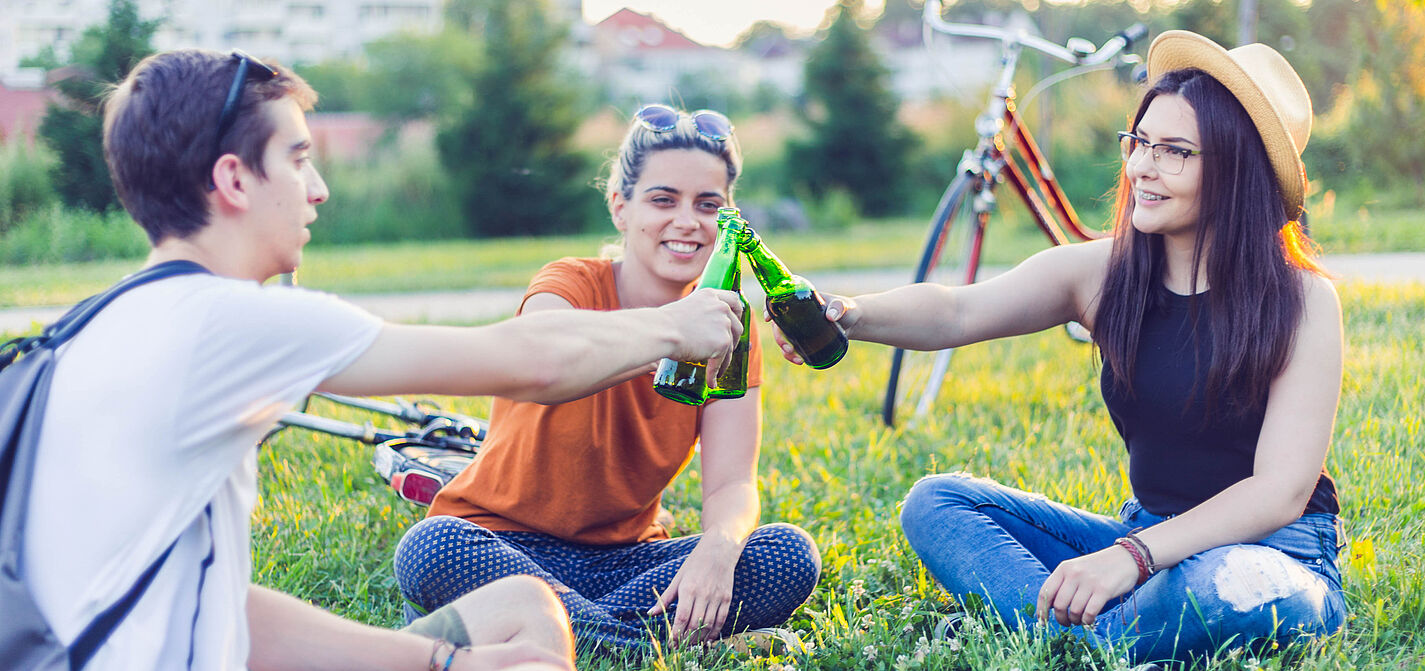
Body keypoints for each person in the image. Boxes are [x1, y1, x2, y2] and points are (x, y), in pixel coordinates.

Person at [23, 50, 748, 670]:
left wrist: (445, 659)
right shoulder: (236, 321)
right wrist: (675, 327)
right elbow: (534, 362)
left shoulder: (105, 320)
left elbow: (215, 610)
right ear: (236, 181)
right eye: (298, 160)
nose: (319, 189)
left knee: (528, 607)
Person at [779, 32, 1346, 662]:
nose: (1142, 169)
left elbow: (1280, 492)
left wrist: (1129, 560)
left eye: (1174, 152)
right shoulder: (1104, 273)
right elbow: (956, 310)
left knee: (1238, 589)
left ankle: (1069, 636)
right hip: (1145, 540)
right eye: (1140, 143)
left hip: (1271, 552)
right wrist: (848, 315)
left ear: (1238, 169)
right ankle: (1098, 640)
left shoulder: (1302, 301)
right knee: (937, 503)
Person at [392, 104, 821, 653]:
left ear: (729, 218)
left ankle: (562, 637)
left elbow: (732, 483)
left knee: (786, 553)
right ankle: (643, 648)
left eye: (708, 204)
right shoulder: (570, 283)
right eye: (663, 200)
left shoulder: (730, 327)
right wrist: (669, 333)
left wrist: (718, 548)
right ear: (621, 207)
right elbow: (542, 356)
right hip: (497, 545)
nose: (687, 221)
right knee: (430, 546)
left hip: (626, 562)